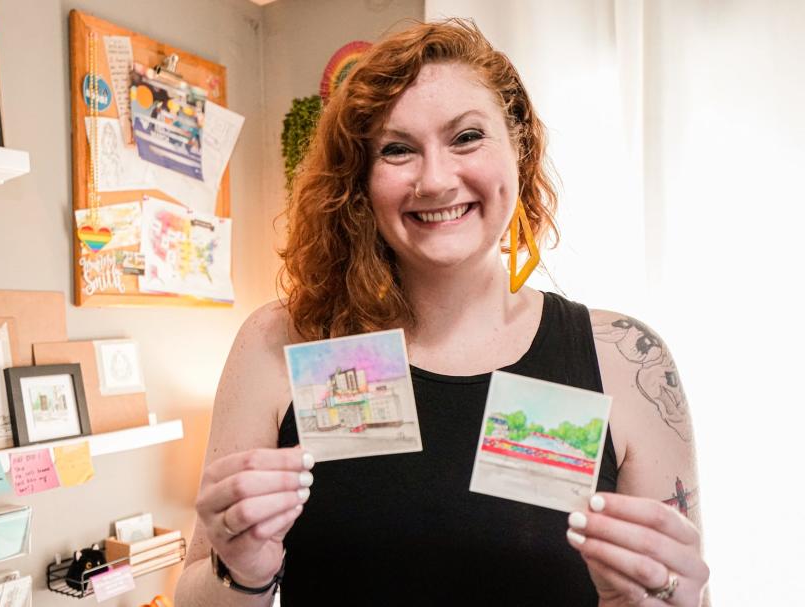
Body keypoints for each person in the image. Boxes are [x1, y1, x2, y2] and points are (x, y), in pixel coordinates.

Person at [174, 19, 709, 607]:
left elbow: (682, 595)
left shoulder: (624, 359)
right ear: (359, 180)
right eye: (397, 149)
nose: (435, 179)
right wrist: (242, 570)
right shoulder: (282, 343)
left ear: (520, 148)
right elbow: (197, 593)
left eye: (467, 137)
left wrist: (662, 597)